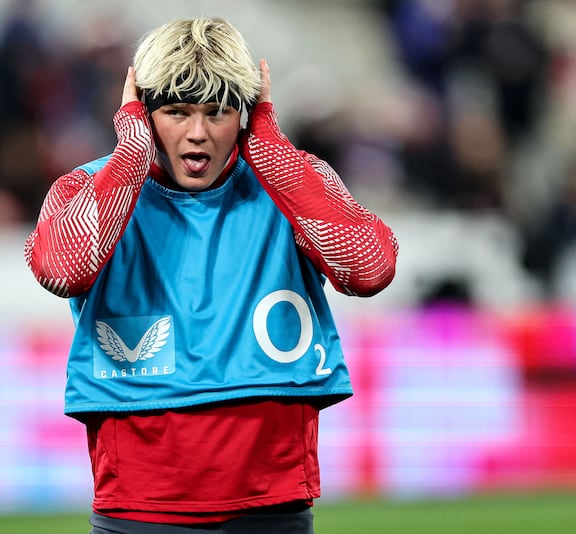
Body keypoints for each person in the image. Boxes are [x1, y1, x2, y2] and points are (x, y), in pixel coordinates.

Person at [25, 16, 398, 533]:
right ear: (142, 111)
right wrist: (132, 150)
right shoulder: (87, 188)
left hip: (273, 508)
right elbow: (63, 270)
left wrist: (270, 149)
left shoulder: (288, 182)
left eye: (218, 112)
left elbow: (370, 269)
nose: (197, 133)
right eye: (175, 112)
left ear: (245, 114)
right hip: (140, 512)